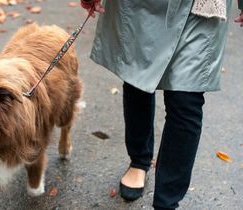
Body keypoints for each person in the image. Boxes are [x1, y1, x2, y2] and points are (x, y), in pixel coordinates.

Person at [80, 0, 243, 209]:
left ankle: (166, 203)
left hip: (203, 6)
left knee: (187, 99)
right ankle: (139, 160)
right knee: (137, 75)